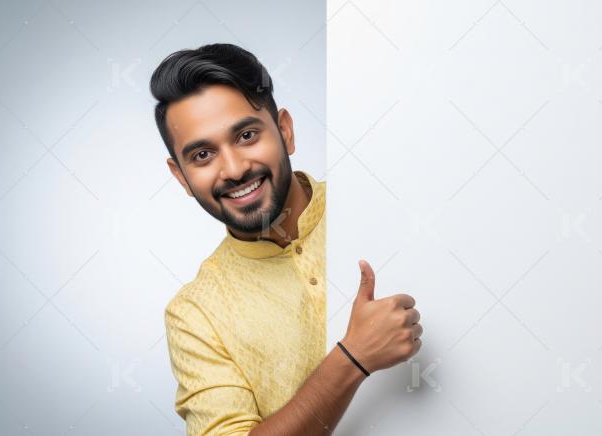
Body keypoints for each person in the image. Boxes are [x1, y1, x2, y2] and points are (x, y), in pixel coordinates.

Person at [150, 43, 423, 435]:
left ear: (285, 131)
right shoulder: (194, 315)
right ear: (182, 178)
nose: (234, 169)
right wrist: (352, 358)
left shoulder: (382, 200)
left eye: (246, 135)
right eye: (203, 155)